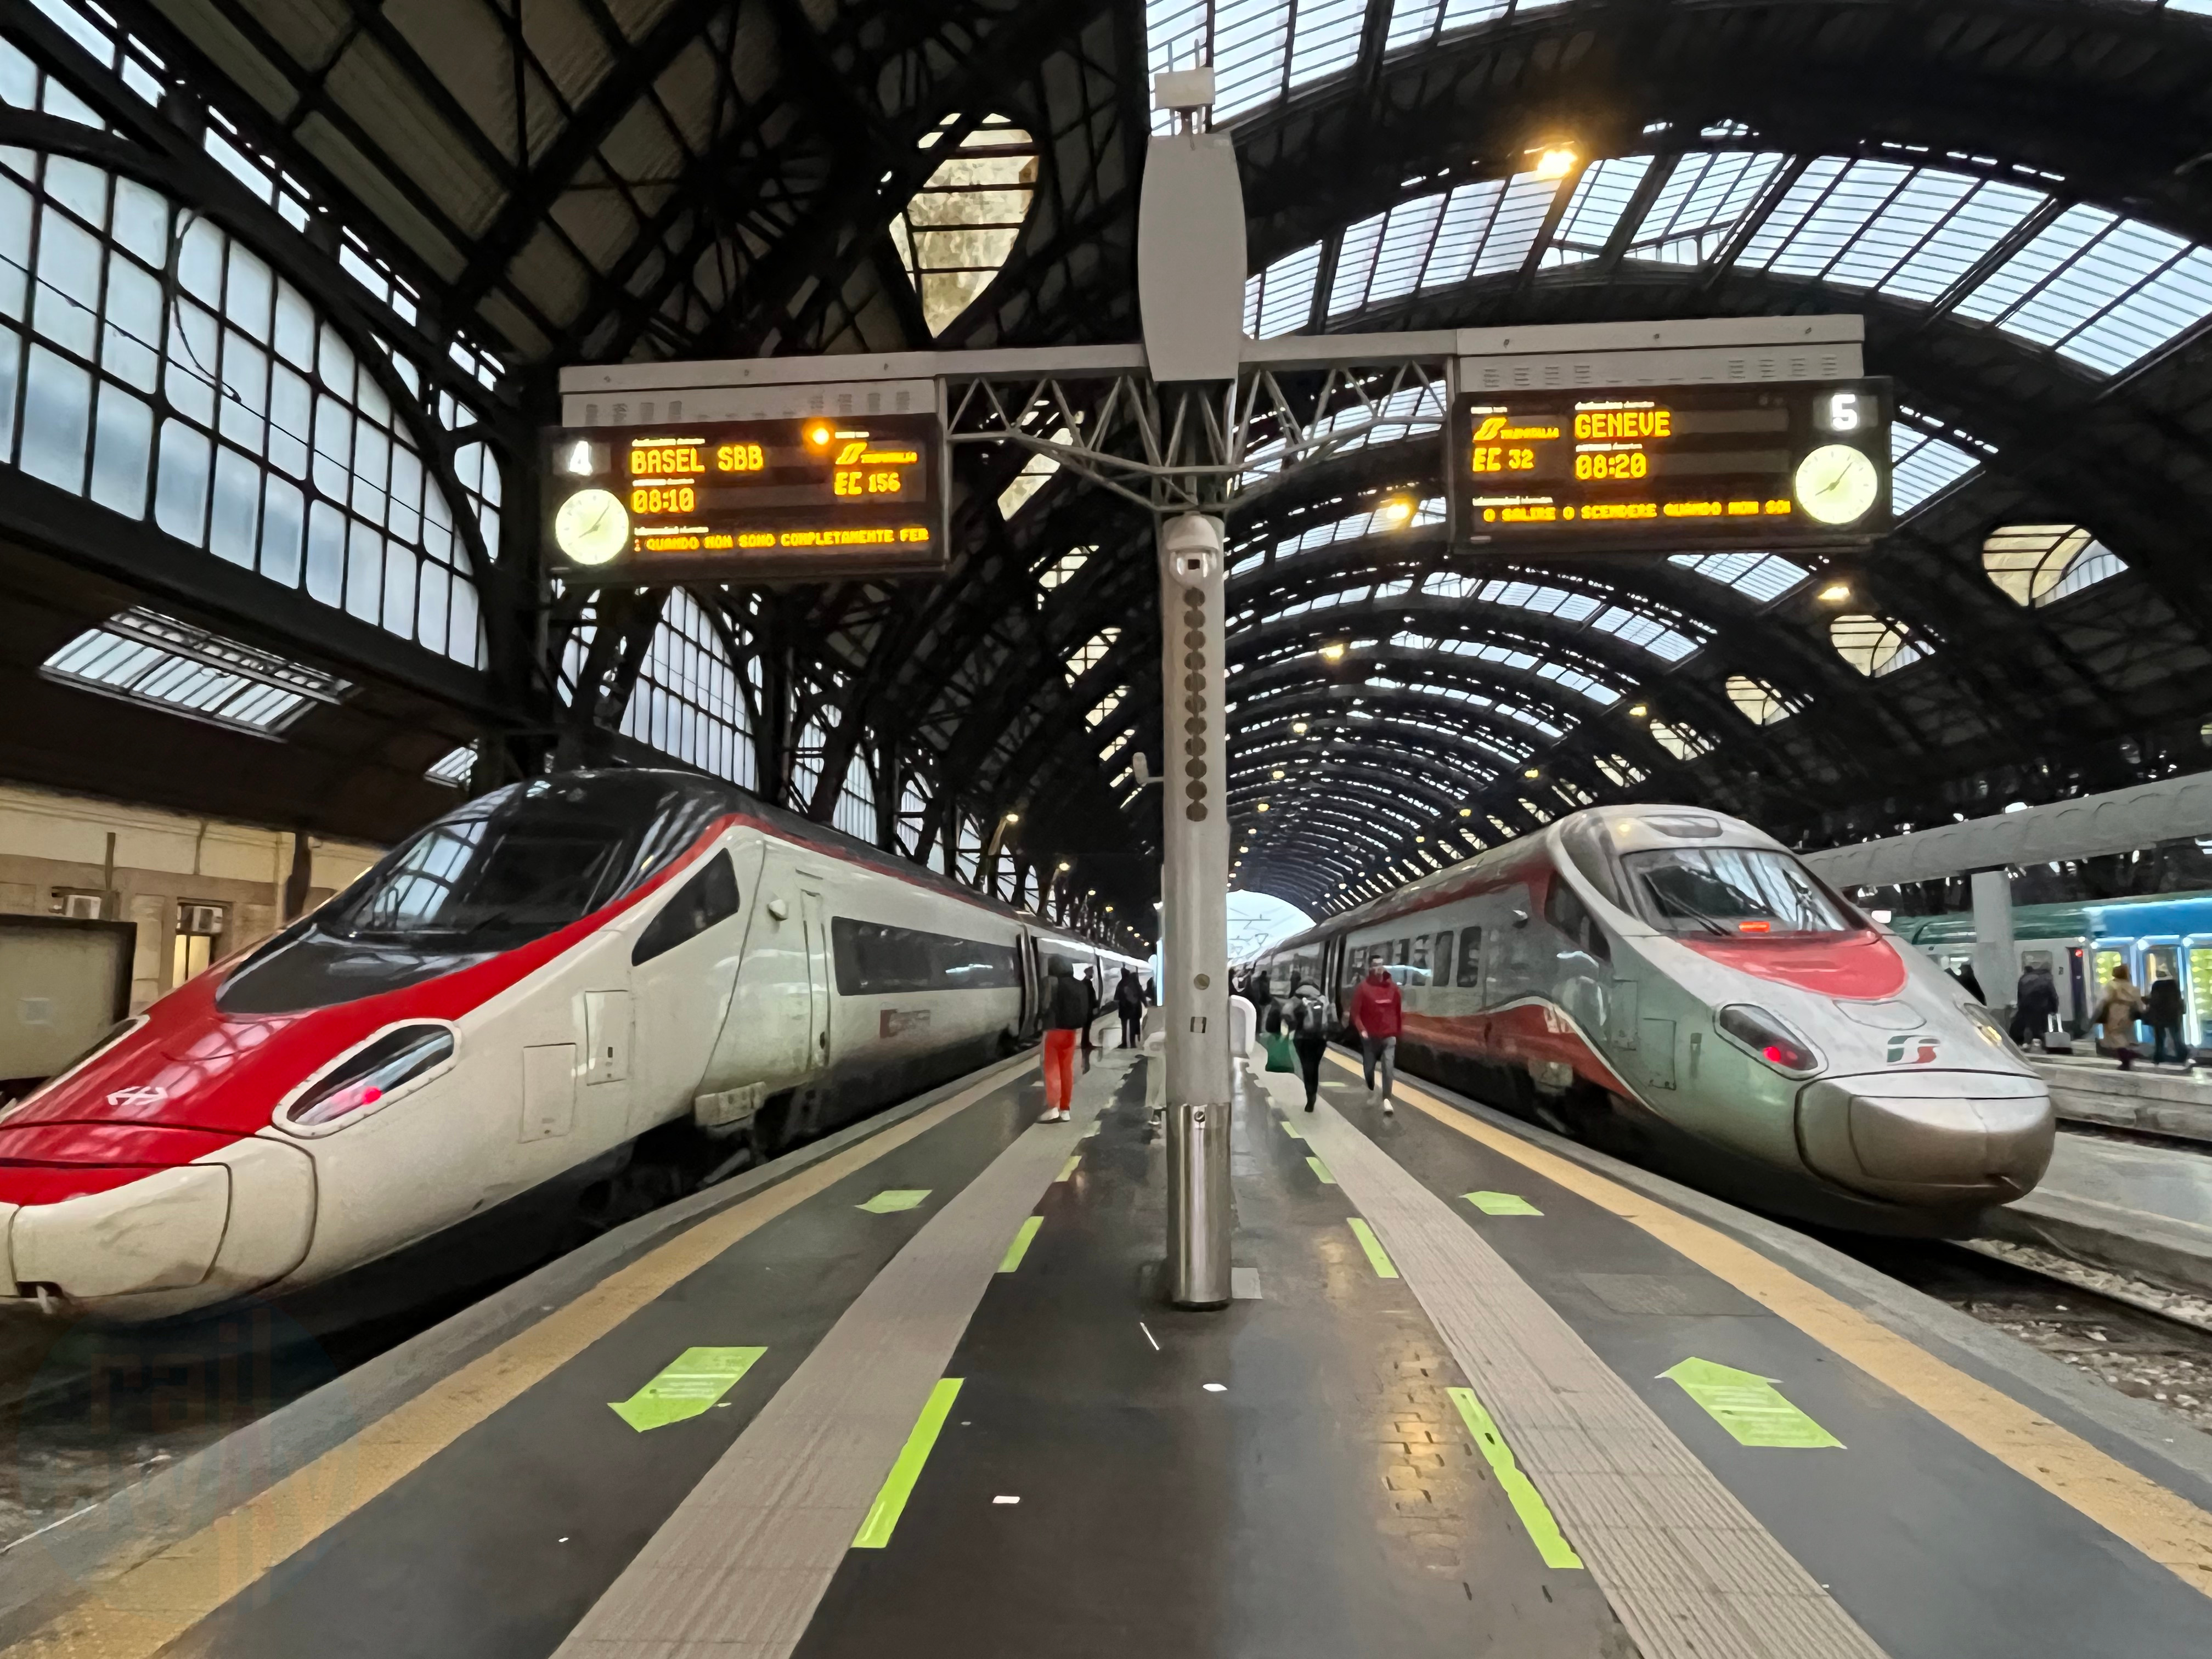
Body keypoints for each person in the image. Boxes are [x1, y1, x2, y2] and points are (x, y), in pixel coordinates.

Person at [1350, 958, 1402, 1116]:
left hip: (1388, 1037)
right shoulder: (1363, 988)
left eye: (1381, 964)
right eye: (1375, 965)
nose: (1379, 968)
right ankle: (1370, 1083)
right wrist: (1362, 1029)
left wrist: (1397, 1032)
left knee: (1388, 1067)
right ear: (1370, 968)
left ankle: (1387, 1099)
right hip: (1370, 1038)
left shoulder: (1393, 988)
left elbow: (1398, 1011)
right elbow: (1355, 1013)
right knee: (1369, 1068)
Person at [1039, 958, 1087, 1121]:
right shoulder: (1079, 985)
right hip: (1071, 1033)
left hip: (1054, 1031)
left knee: (1052, 1070)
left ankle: (1054, 1108)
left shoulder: (1053, 983)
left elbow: (1045, 1006)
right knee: (1066, 1070)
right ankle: (1065, 1109)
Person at [1286, 976, 1330, 1113]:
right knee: (1314, 1067)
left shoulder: (1296, 998)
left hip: (1302, 1039)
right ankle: (1313, 1095)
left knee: (1307, 1068)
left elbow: (1287, 1015)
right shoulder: (1323, 998)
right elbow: (1329, 1019)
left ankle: (1309, 1096)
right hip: (1320, 1039)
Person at [2093, 963, 2146, 1071]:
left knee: (2115, 1035)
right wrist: (2141, 1012)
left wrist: (2098, 1012)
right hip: (2128, 1014)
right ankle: (2127, 1058)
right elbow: (2139, 1003)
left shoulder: (2111, 986)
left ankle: (2127, 1056)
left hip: (2115, 1012)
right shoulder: (2133, 988)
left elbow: (2104, 999)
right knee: (2125, 1034)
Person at [2011, 960, 2059, 1049]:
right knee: (2042, 1027)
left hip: (2026, 1007)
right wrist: (2055, 1008)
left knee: (2029, 1025)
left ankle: (2026, 1043)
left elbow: (2020, 995)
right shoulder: (2046, 978)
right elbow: (2053, 995)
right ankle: (2042, 1044)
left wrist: (2020, 1006)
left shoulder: (2024, 978)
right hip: (2043, 1007)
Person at [2147, 971, 2188, 1065]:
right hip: (2173, 1014)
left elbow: (2155, 1000)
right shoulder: (2174, 984)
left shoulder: (2157, 985)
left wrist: (2148, 1001)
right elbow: (2178, 999)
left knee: (2160, 1037)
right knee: (2176, 1035)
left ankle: (2159, 1056)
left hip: (2159, 1014)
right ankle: (2182, 1054)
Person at [1114, 968, 1144, 1048]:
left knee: (1124, 1027)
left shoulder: (1121, 984)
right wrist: (1146, 1003)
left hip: (1124, 1009)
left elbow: (1116, 998)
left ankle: (1124, 1043)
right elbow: (1141, 994)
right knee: (1132, 1027)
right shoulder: (1135, 983)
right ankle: (1133, 1043)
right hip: (1134, 1009)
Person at [1080, 968, 1099, 1069]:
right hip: (1088, 1009)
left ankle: (1086, 1042)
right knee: (1087, 1027)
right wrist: (1095, 1007)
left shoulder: (1084, 983)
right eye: (1091, 973)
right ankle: (1085, 1043)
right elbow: (1091, 997)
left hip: (1087, 1009)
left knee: (1087, 1027)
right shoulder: (1087, 983)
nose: (1092, 974)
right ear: (1087, 973)